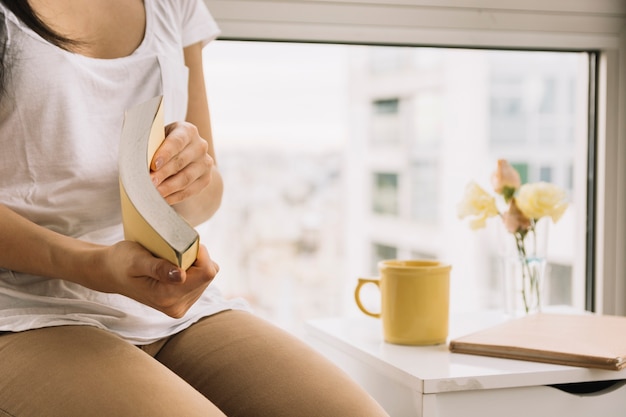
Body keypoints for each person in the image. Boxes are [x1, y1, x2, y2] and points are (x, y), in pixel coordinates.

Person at [0, 1, 390, 416]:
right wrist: (98, 267)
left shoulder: (174, 5)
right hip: (20, 306)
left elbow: (207, 194)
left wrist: (188, 173)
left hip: (147, 296)